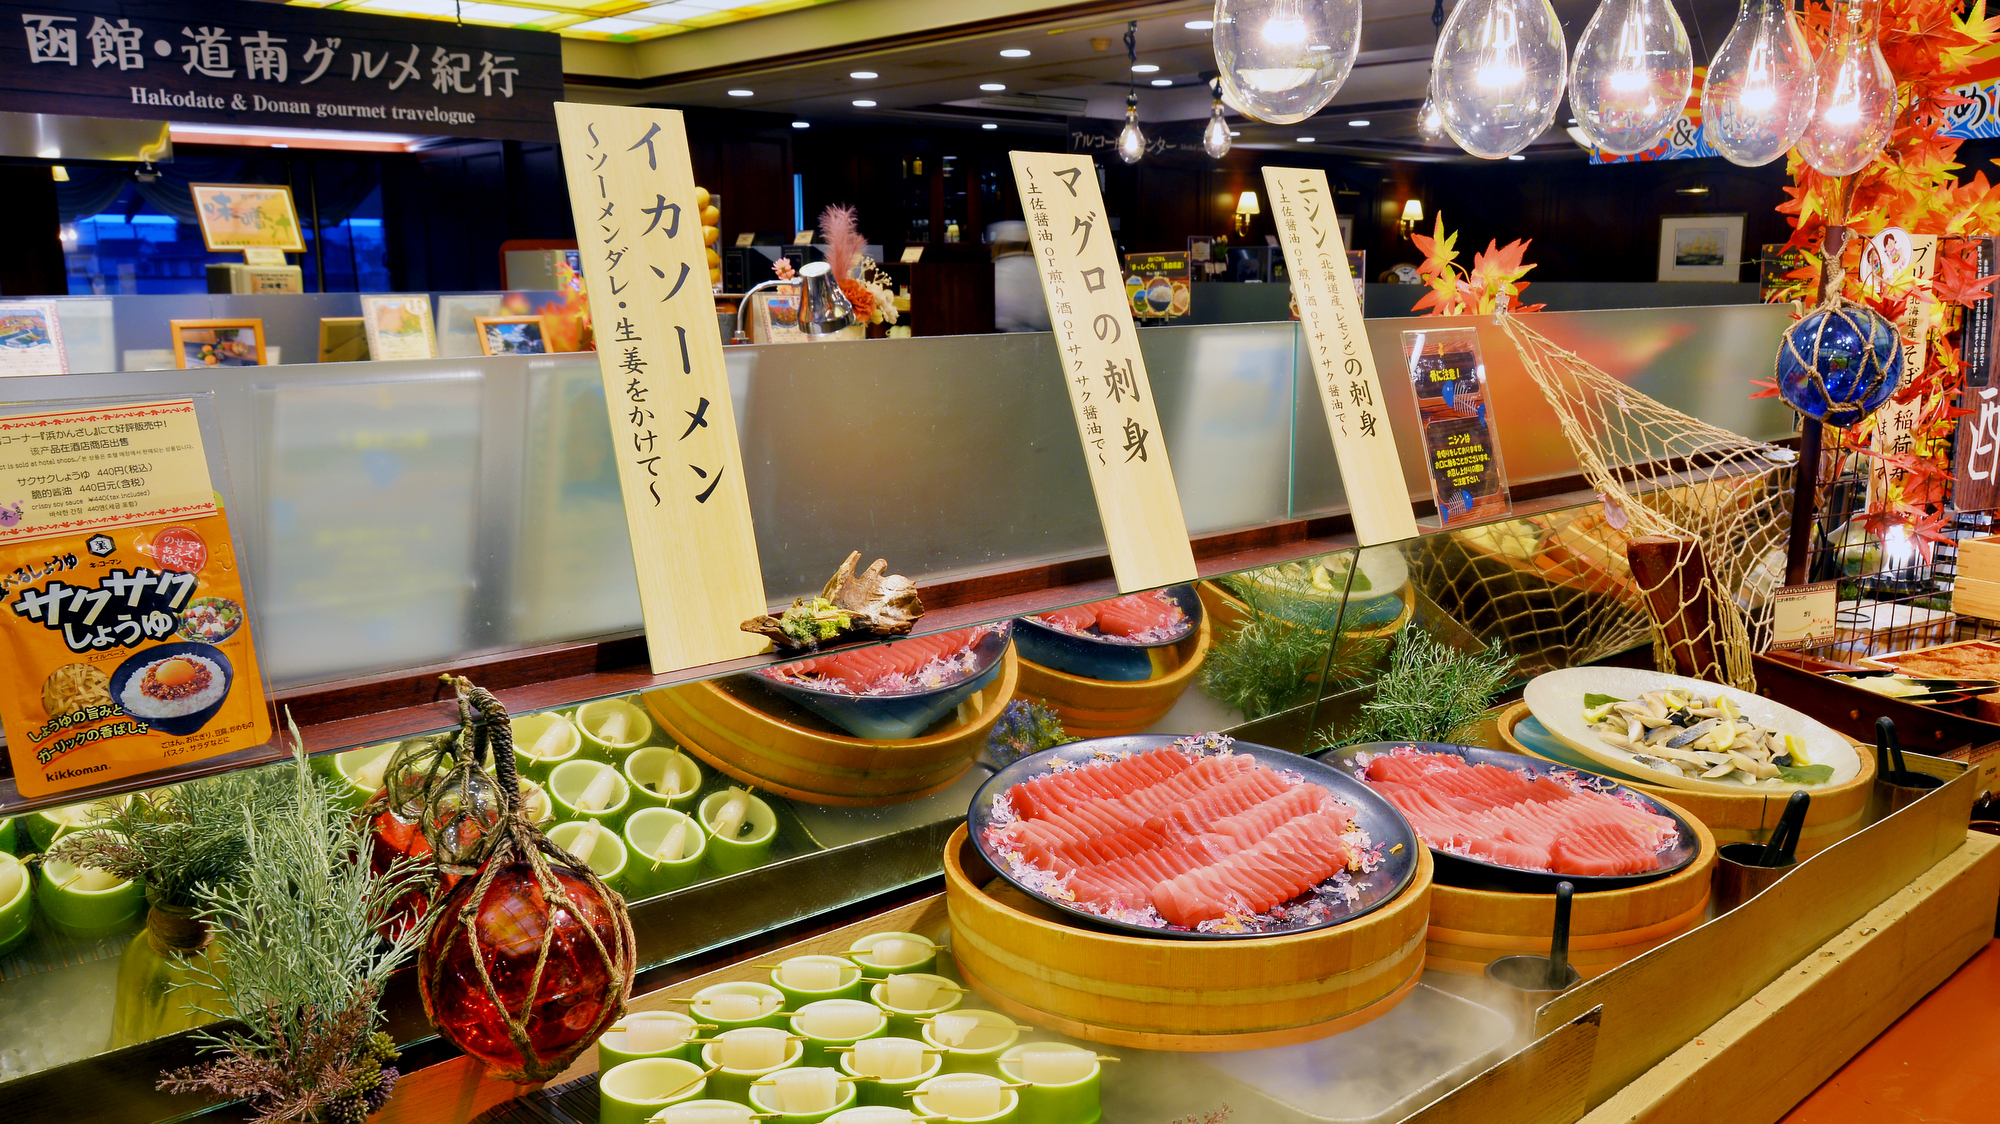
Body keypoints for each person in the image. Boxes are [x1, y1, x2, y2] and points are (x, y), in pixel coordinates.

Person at [990, 220, 1050, 333]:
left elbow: (1004, 318)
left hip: (1014, 335)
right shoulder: (1036, 266)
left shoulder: (1001, 267)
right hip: (1040, 332)